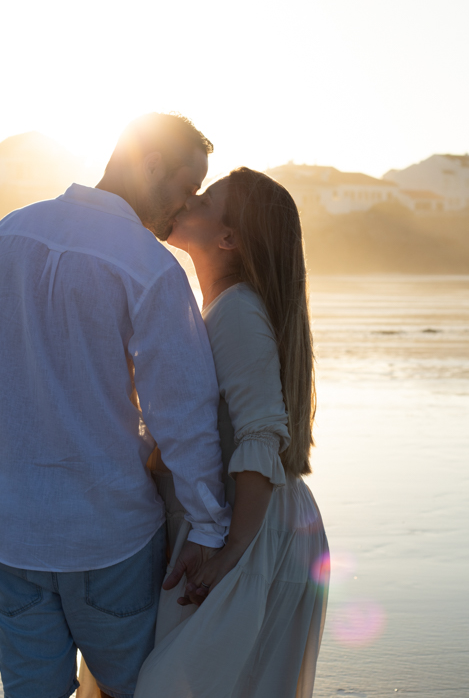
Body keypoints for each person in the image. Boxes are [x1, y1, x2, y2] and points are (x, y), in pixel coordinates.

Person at [0, 113, 232, 698]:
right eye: (185, 188)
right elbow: (182, 411)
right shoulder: (150, 266)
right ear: (151, 163)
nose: (185, 208)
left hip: (11, 532)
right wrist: (209, 525)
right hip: (111, 538)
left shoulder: (7, 235)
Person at [134, 168, 330, 697]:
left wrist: (232, 550)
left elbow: (263, 432)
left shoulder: (238, 310)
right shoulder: (219, 308)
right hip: (239, 523)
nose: (189, 198)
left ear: (227, 238)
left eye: (207, 196)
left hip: (253, 530)